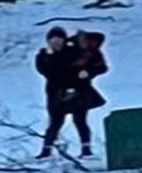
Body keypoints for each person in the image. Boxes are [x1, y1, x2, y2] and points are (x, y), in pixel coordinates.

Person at [35, 27, 108, 159]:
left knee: (80, 121)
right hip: (56, 93)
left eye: (59, 40)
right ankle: (46, 150)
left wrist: (88, 73)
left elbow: (98, 65)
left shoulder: (76, 52)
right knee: (55, 123)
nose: (56, 43)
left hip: (79, 91)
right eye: (53, 40)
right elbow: (46, 71)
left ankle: (86, 149)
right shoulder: (43, 55)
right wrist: (50, 57)